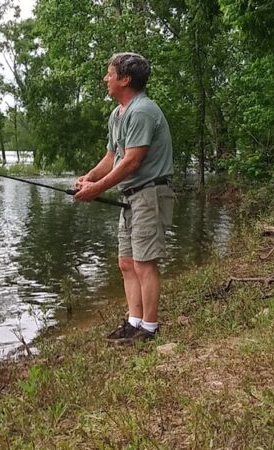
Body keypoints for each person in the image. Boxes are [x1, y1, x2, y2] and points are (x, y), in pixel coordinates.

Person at [74, 52, 174, 344]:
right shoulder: (117, 114)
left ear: (125, 79)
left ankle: (150, 328)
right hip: (130, 197)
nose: (106, 78)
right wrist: (89, 178)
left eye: (109, 73)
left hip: (150, 194)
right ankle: (134, 322)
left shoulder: (142, 111)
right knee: (127, 263)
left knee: (144, 263)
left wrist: (98, 189)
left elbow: (132, 162)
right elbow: (112, 157)